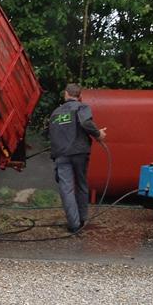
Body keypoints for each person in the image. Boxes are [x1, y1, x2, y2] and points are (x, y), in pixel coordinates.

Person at [48, 83, 106, 234]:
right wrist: (98, 134)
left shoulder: (55, 112)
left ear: (65, 94)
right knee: (81, 184)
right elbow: (86, 122)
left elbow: (51, 134)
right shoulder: (81, 107)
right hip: (79, 153)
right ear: (79, 96)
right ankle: (81, 219)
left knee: (66, 189)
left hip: (61, 154)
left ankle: (73, 225)